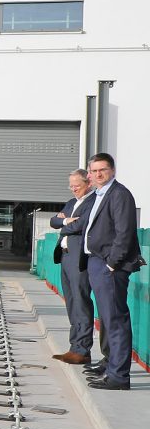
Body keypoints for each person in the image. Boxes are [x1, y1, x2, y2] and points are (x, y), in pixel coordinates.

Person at [81, 153, 145, 391]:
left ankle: (118, 375)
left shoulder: (119, 194)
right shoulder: (99, 194)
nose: (99, 174)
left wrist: (112, 264)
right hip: (97, 262)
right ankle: (111, 363)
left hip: (110, 265)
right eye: (95, 170)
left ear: (113, 170)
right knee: (107, 318)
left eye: (103, 170)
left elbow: (124, 233)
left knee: (116, 319)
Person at [50, 169, 98, 365]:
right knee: (71, 302)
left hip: (79, 259)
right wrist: (64, 220)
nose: (73, 189)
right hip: (65, 257)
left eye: (76, 185)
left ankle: (82, 349)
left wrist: (65, 222)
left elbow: (81, 226)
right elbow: (54, 221)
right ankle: (74, 346)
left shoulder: (92, 201)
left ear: (88, 183)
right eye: (71, 185)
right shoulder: (72, 203)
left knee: (81, 302)